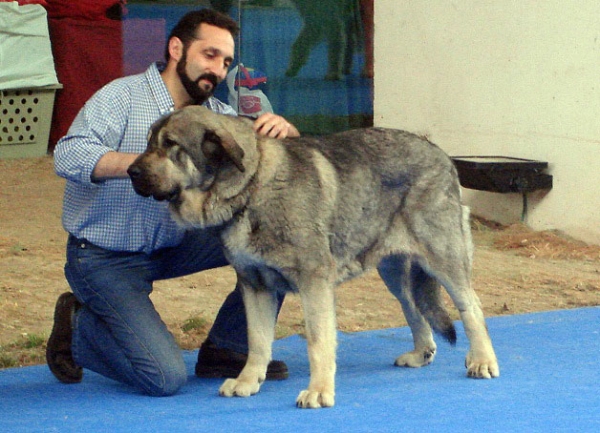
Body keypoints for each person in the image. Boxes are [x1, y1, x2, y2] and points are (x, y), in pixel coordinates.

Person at [46, 8, 299, 397]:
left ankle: (226, 348)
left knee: (279, 241)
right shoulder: (121, 96)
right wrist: (143, 166)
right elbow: (68, 155)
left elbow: (267, 169)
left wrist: (284, 134)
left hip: (177, 244)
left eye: (226, 61)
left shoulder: (217, 116)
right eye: (209, 55)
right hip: (103, 256)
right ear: (177, 48)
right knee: (163, 378)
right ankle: (77, 326)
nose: (217, 70)